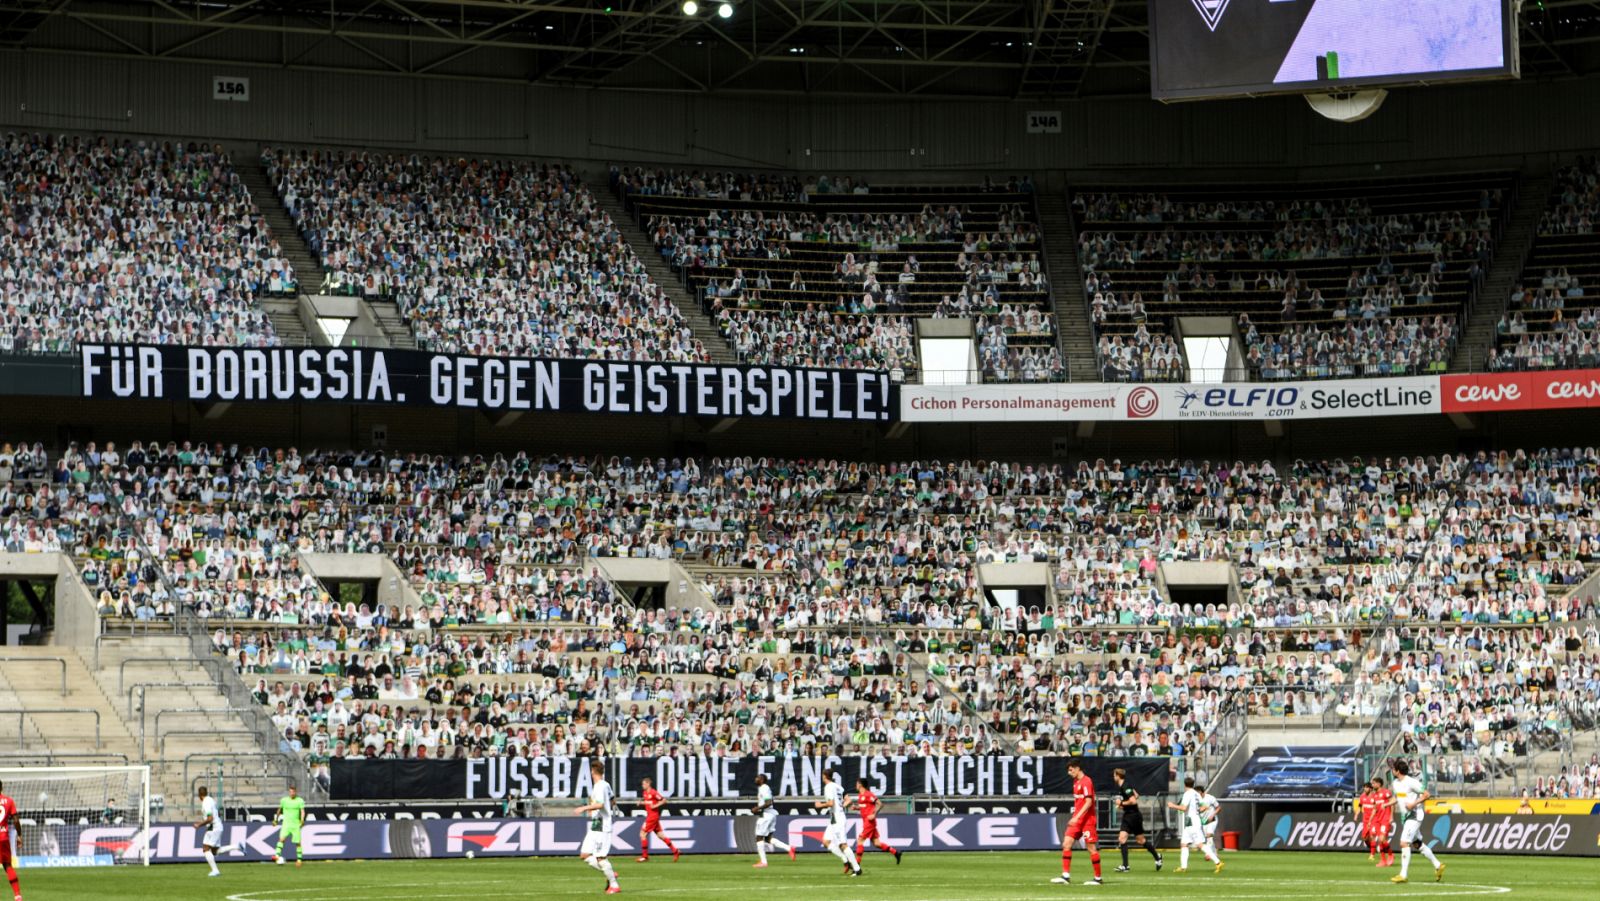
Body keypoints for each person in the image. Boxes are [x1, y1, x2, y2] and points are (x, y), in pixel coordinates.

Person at [1386, 760, 1444, 884]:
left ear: (1397, 771)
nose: (1392, 770)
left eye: (1393, 768)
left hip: (1415, 815)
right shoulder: (1396, 783)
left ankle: (1403, 875)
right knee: (1417, 844)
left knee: (1403, 843)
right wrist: (1385, 804)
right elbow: (1398, 797)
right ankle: (1438, 865)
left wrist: (1414, 803)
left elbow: (1427, 794)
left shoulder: (1411, 782)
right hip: (1405, 817)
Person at [1051, 759, 1103, 885]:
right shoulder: (1075, 782)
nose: (1069, 773)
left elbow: (1089, 802)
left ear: (1078, 768)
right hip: (1077, 820)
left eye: (1071, 770)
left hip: (1087, 820)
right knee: (1066, 843)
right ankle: (1065, 876)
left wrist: (1076, 817)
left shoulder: (1087, 781)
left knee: (1091, 848)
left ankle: (1098, 878)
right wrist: (1076, 817)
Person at [573, 761, 621, 895]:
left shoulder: (600, 786)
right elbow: (612, 800)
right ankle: (610, 873)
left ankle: (614, 885)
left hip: (602, 825)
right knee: (584, 854)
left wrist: (584, 807)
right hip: (596, 824)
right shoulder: (606, 785)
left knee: (600, 857)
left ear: (593, 772)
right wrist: (598, 810)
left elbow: (600, 804)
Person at [1166, 776, 1221, 874]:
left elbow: (1183, 808)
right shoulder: (1197, 794)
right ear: (1193, 784)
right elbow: (1204, 806)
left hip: (1192, 821)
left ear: (1184, 784)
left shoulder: (1188, 794)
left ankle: (1218, 862)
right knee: (1184, 844)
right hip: (1191, 821)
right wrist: (1197, 811)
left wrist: (1172, 805)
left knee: (1200, 844)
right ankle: (1183, 867)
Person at [1112, 768, 1162, 872]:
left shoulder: (1125, 786)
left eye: (1114, 775)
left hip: (1133, 816)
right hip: (1128, 815)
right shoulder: (1124, 786)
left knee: (1141, 840)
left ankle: (1157, 856)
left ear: (1118, 775)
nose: (1113, 777)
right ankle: (1125, 866)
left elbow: (1133, 801)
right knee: (1122, 839)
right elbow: (1137, 795)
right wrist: (1122, 805)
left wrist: (1121, 803)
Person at [814, 769, 861, 877]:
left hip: (837, 818)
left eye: (822, 775)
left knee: (842, 844)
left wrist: (819, 805)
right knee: (826, 841)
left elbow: (831, 803)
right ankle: (845, 860)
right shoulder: (838, 786)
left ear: (824, 776)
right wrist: (842, 806)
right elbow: (848, 800)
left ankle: (857, 869)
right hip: (835, 818)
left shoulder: (828, 787)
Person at [849, 779, 902, 865]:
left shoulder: (868, 794)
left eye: (856, 783)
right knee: (877, 843)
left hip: (869, 822)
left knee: (860, 840)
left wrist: (874, 814)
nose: (856, 785)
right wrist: (856, 808)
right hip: (867, 821)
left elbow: (880, 804)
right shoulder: (861, 795)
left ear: (860, 784)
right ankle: (896, 852)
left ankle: (856, 866)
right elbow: (864, 806)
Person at [194, 787, 240, 878]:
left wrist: (199, 825)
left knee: (205, 848)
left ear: (199, 795)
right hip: (218, 826)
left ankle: (215, 870)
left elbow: (210, 818)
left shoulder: (205, 803)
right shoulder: (211, 800)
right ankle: (237, 846)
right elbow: (216, 814)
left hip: (213, 827)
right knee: (215, 851)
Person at [750, 774, 795, 869]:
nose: (755, 779)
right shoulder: (763, 788)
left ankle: (763, 862)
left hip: (766, 815)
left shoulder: (764, 788)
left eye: (757, 777)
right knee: (768, 838)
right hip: (770, 814)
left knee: (759, 837)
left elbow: (768, 802)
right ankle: (789, 848)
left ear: (761, 780)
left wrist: (757, 808)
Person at [634, 777, 678, 863]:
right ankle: (675, 851)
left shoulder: (653, 792)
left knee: (642, 834)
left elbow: (664, 800)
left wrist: (656, 806)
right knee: (661, 836)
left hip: (652, 817)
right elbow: (649, 802)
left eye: (643, 784)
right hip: (651, 816)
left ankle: (645, 856)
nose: (642, 785)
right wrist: (641, 803)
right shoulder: (645, 793)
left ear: (648, 784)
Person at [273, 786, 307, 867]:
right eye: (290, 792)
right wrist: (276, 820)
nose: (292, 793)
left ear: (295, 792)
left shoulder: (300, 801)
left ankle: (299, 860)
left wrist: (302, 820)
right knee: (282, 839)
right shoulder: (284, 800)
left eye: (293, 792)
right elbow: (279, 810)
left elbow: (302, 811)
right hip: (286, 824)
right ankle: (277, 856)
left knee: (298, 843)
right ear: (289, 792)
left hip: (296, 824)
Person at [1368, 776, 1395, 868]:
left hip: (1385, 819)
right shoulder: (1374, 795)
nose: (1372, 785)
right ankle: (1383, 860)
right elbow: (1375, 808)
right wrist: (1370, 820)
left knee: (1382, 839)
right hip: (1377, 820)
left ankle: (1391, 855)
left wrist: (1391, 816)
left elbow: (1392, 803)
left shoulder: (1386, 792)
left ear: (1379, 784)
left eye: (1374, 783)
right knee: (1380, 840)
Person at [0, 781, 21, 901]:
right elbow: (16, 820)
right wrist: (19, 835)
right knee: (8, 866)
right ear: (1, 787)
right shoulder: (9, 801)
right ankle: (17, 895)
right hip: (3, 837)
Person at [1358, 780, 1378, 860]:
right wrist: (1356, 814)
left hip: (1373, 819)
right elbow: (1360, 805)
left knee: (1372, 836)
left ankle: (1372, 854)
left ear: (1370, 788)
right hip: (1365, 820)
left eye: (1366, 788)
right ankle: (1373, 849)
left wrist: (1371, 819)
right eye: (1364, 788)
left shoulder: (1375, 797)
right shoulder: (1362, 796)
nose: (1364, 789)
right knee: (1364, 838)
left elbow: (1375, 808)